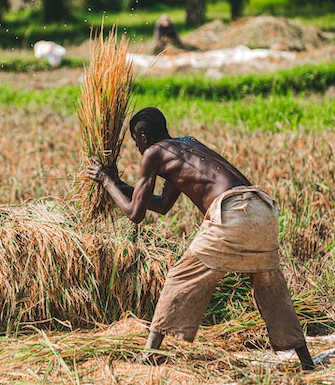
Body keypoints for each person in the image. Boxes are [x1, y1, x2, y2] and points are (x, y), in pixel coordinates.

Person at [85, 107, 315, 371]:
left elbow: (135, 213)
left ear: (143, 137)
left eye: (136, 141)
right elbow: (160, 205)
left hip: (231, 213)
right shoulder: (187, 145)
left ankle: (149, 356)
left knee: (180, 277)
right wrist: (120, 184)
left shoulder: (152, 154)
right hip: (262, 209)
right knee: (271, 289)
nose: (137, 147)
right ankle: (306, 361)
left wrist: (105, 180)